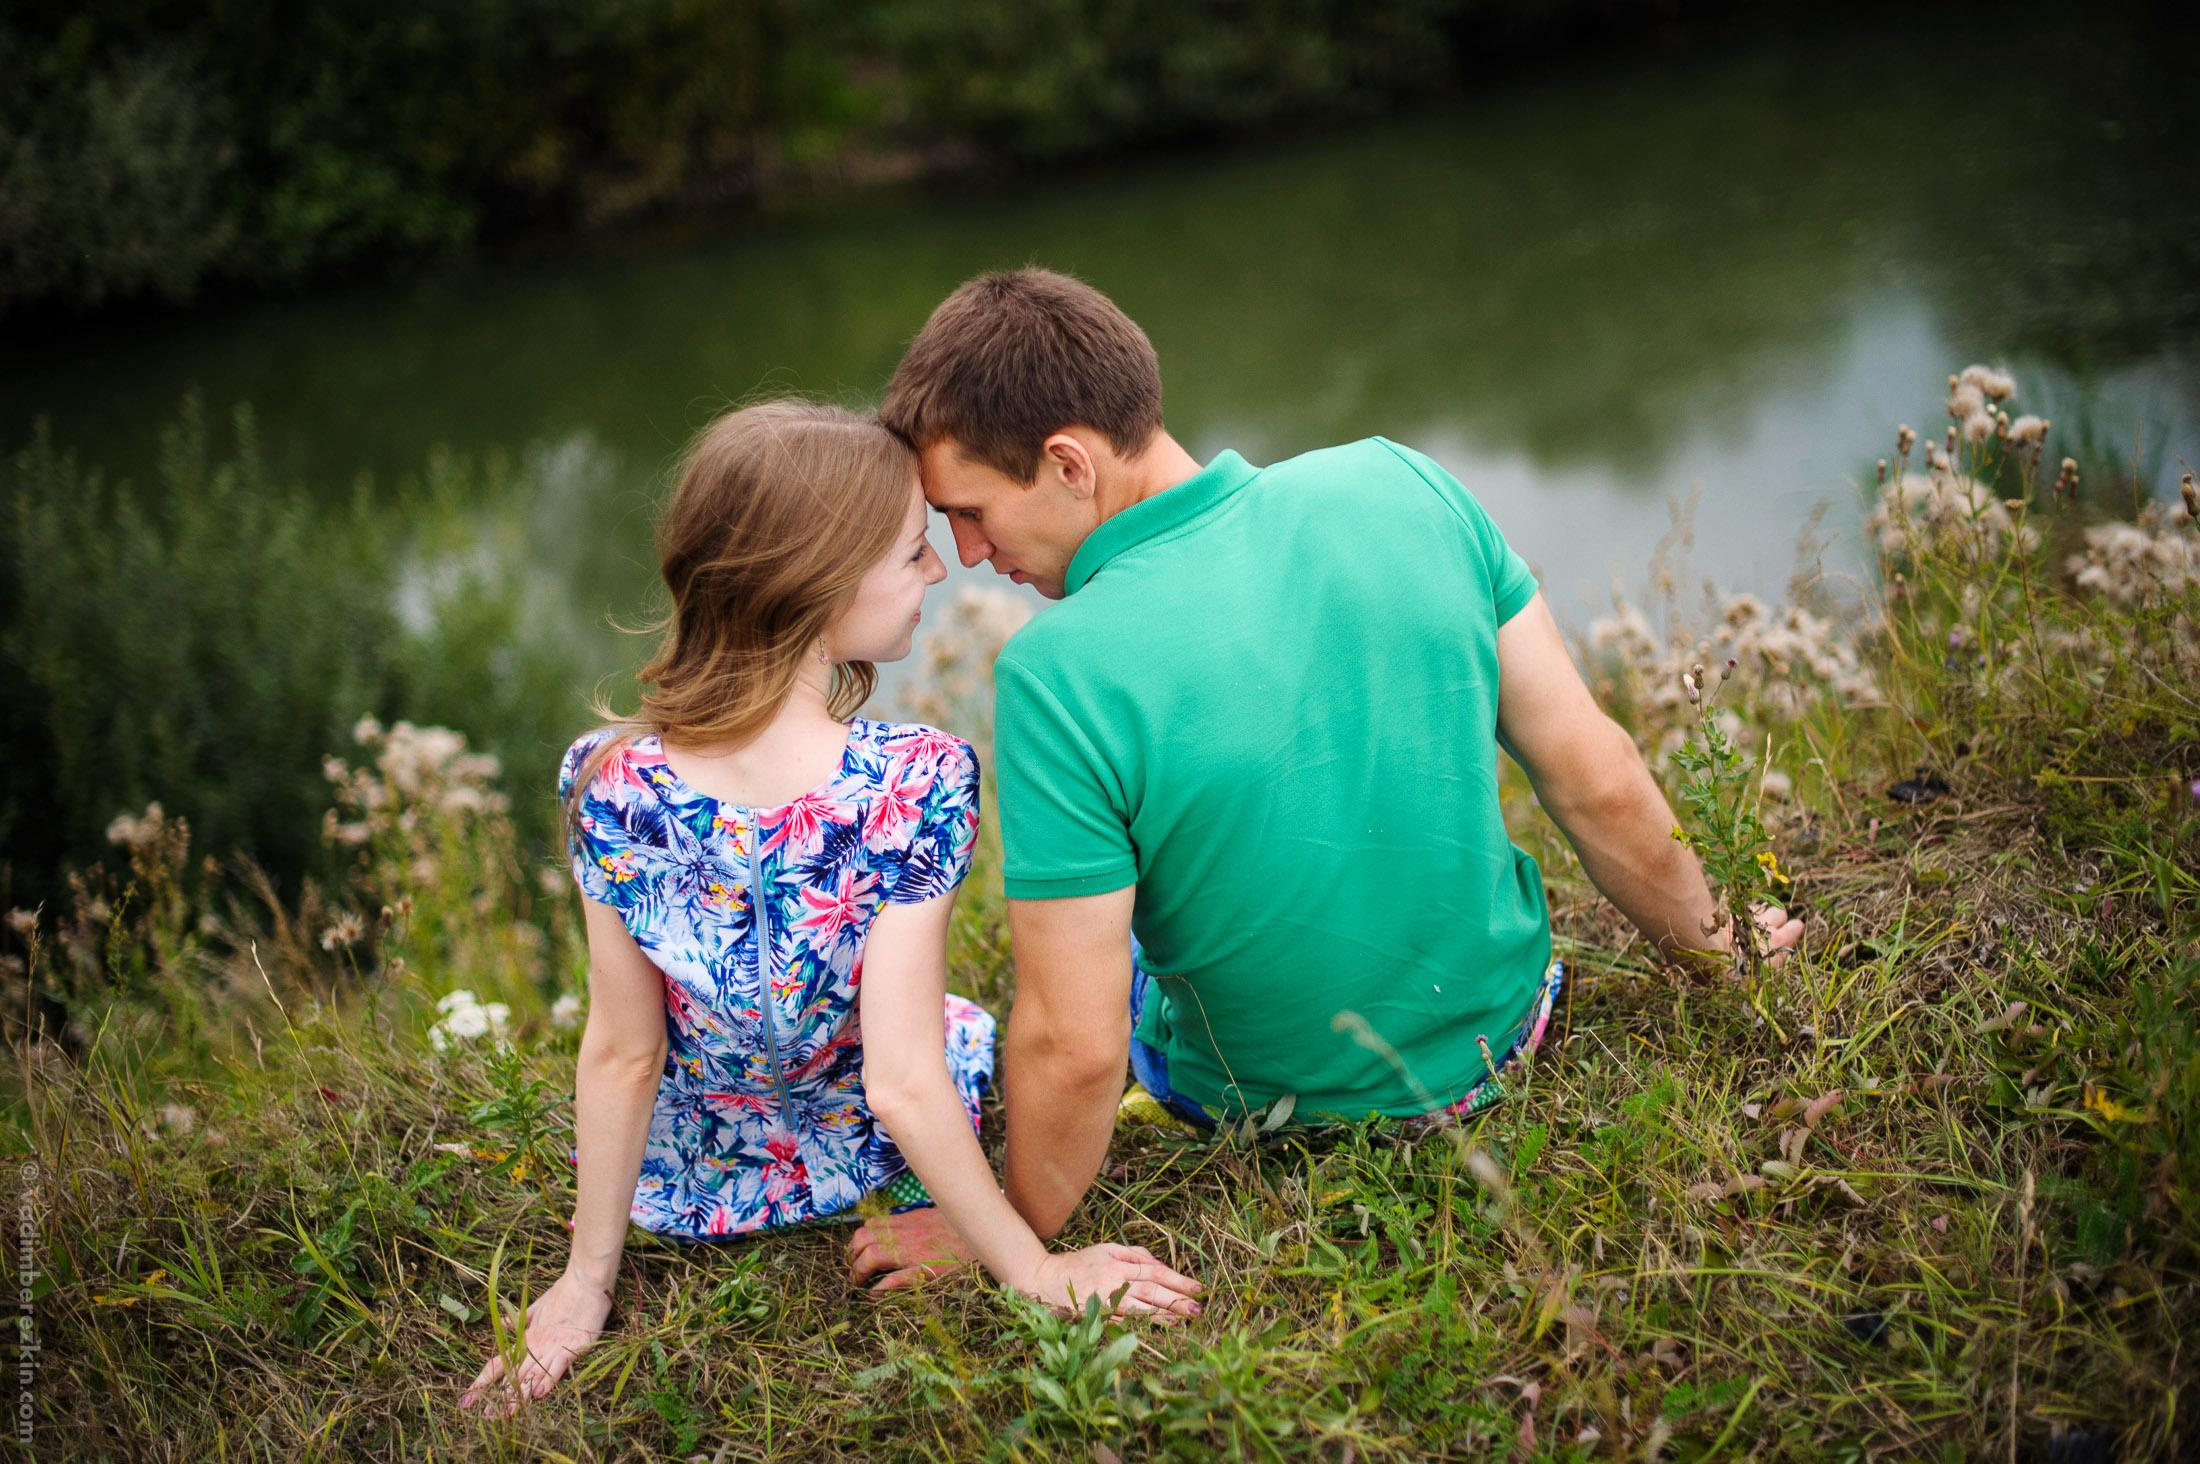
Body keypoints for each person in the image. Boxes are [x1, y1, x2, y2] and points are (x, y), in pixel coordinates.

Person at [846, 269, 1802, 1289]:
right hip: (1503, 1041)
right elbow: (1598, 781)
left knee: (1107, 935)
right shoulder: (1404, 480)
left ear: (1068, 462)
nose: (968, 552)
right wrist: (1723, 951)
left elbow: (1078, 1046)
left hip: (1267, 1110)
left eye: (973, 512)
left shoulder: (1057, 671)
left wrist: (1005, 1229)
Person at [460, 400, 1201, 1419]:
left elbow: (623, 1052)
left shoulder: (607, 778)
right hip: (861, 1151)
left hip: (698, 1177)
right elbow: (901, 1079)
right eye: (910, 555)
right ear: (817, 584)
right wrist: (1034, 1271)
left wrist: (587, 1282)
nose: (939, 572)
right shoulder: (915, 780)